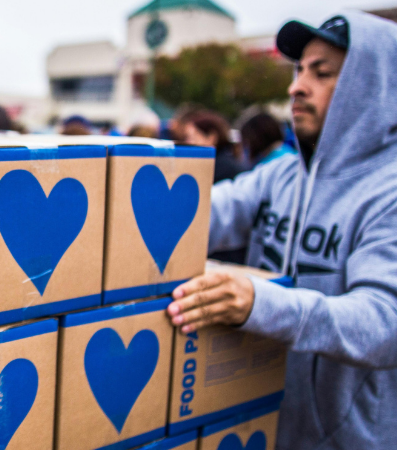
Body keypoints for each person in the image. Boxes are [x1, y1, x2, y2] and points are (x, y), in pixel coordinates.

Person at [166, 13, 397, 449]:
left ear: (373, 87)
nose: (296, 87)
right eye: (298, 70)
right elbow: (202, 216)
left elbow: (384, 322)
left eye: (321, 73)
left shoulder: (388, 192)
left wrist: (261, 303)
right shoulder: (280, 176)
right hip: (262, 426)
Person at [183, 111, 249, 182]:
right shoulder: (222, 161)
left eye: (192, 138)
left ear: (211, 137)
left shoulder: (218, 168)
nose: (187, 142)